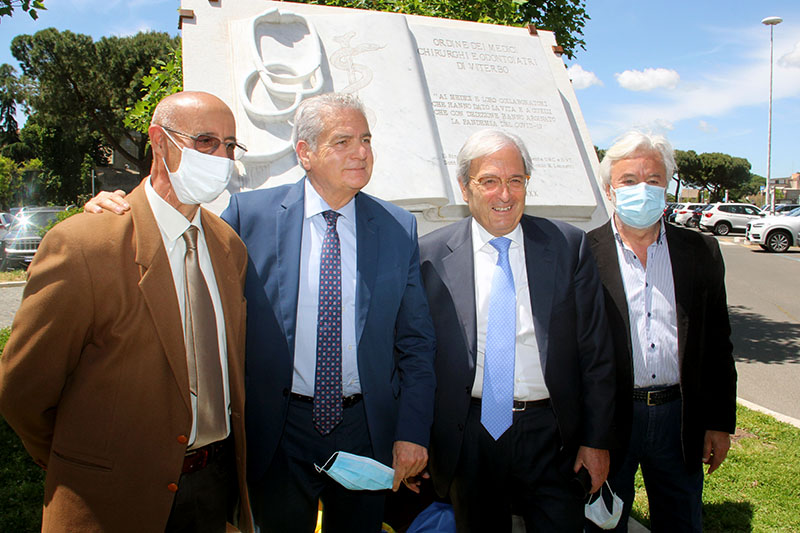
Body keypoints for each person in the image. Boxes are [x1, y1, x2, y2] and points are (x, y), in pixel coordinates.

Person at [84, 93, 436, 532]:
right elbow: (178, 251)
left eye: (365, 139)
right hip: (276, 431)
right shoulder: (247, 217)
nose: (362, 152)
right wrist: (116, 214)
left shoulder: (397, 227)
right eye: (343, 141)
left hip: (365, 431)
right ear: (304, 153)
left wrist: (412, 432)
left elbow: (416, 343)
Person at [0, 91, 253, 532]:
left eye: (230, 146)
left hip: (215, 488)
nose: (222, 157)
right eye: (207, 141)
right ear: (160, 142)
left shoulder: (229, 247)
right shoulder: (84, 245)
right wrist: (80, 463)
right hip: (110, 500)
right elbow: (23, 390)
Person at [418, 129, 616, 532]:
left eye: (515, 181)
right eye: (489, 181)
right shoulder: (429, 256)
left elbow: (596, 354)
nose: (504, 194)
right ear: (464, 187)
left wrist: (595, 442)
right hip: (469, 436)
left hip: (552, 435)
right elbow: (415, 356)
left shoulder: (567, 247)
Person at [586, 131, 737, 532]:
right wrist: (587, 434)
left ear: (667, 186)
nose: (642, 190)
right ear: (610, 189)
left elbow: (718, 343)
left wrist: (720, 422)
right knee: (603, 523)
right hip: (611, 417)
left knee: (682, 520)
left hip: (678, 416)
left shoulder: (701, 252)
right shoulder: (582, 255)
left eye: (653, 180)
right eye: (629, 181)